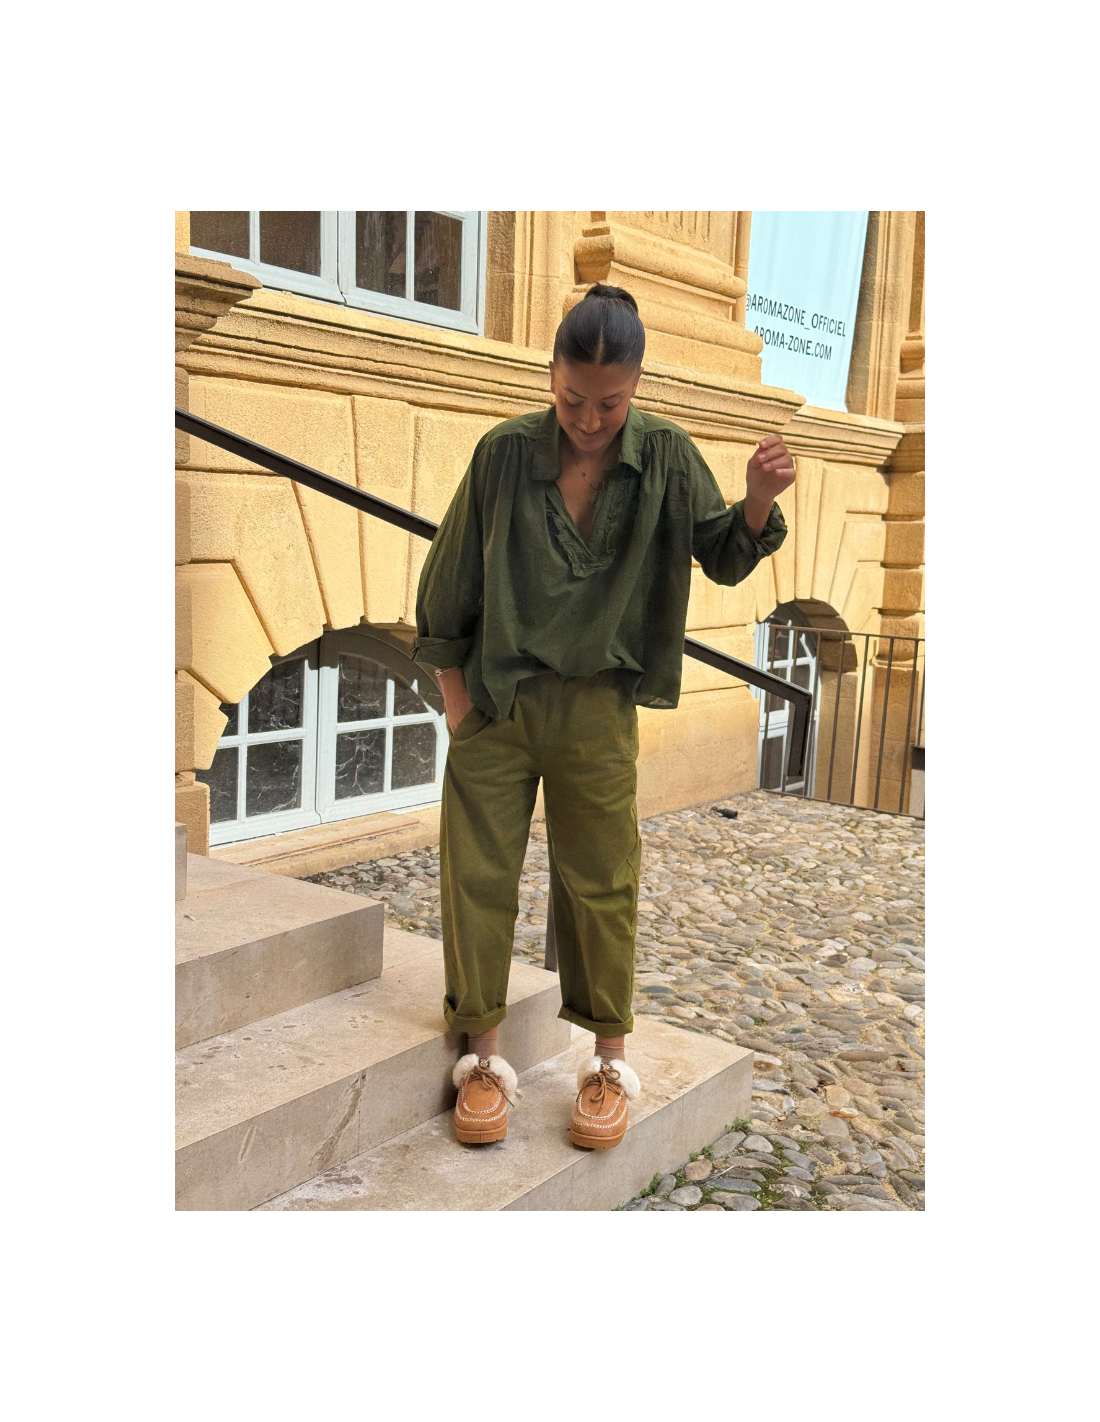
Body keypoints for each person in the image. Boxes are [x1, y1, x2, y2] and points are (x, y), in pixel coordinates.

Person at [411, 284, 795, 1150]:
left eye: (609, 403)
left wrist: (757, 499)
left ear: (636, 385)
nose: (588, 420)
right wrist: (459, 704)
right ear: (551, 376)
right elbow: (450, 578)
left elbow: (723, 554)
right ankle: (482, 1062)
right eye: (571, 399)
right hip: (499, 702)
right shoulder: (503, 454)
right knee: (476, 876)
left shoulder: (665, 455)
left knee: (602, 882)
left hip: (599, 709)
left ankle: (607, 1066)